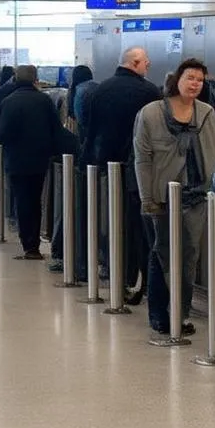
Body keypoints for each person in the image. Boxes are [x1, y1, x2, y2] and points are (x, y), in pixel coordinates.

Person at [134, 58, 215, 336]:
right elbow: (142, 158)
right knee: (162, 253)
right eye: (190, 78)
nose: (195, 84)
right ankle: (159, 313)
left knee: (189, 256)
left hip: (195, 197)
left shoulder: (206, 114)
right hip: (161, 197)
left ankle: (181, 313)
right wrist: (147, 197)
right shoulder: (150, 114)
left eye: (200, 79)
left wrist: (214, 193)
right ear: (177, 80)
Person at [83, 47, 161, 290]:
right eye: (146, 63)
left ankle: (112, 266)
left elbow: (90, 129)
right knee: (137, 225)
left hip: (104, 165)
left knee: (109, 218)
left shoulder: (99, 90)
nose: (148, 67)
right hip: (136, 167)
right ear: (135, 63)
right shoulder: (149, 91)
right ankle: (139, 277)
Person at [0, 65, 77, 259]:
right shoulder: (44, 100)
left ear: (15, 79)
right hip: (39, 159)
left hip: (16, 160)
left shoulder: (8, 101)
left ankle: (29, 245)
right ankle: (35, 244)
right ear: (35, 79)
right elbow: (55, 128)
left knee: (22, 201)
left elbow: (2, 134)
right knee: (35, 200)